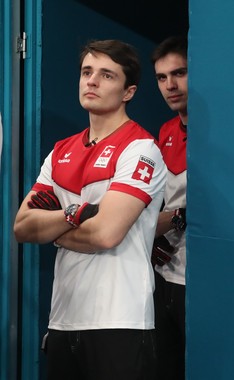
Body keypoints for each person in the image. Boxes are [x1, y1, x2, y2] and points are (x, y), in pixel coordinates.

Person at [13, 39, 167, 380]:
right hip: (63, 320)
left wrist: (54, 231)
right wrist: (72, 215)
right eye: (87, 72)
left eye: (106, 75)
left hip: (120, 322)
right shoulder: (59, 152)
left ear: (128, 92)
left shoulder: (141, 149)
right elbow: (23, 227)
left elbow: (106, 233)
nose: (92, 81)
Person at [149, 35, 188, 380]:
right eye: (162, 78)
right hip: (165, 274)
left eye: (180, 73)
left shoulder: (224, 134)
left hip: (204, 282)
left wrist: (178, 219)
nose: (170, 85)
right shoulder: (166, 131)